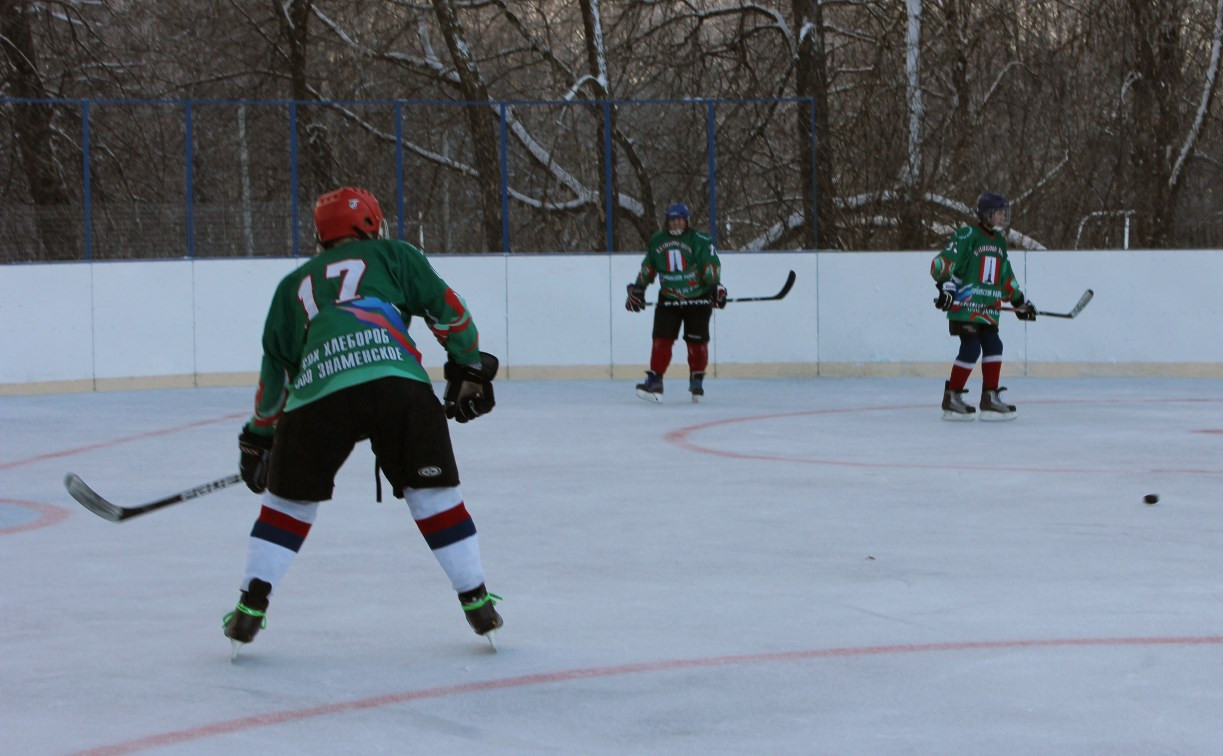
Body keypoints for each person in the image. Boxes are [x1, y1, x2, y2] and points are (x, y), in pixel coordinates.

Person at [226, 186, 503, 657]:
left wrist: (260, 438)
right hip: (397, 383)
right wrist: (468, 366)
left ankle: (251, 606)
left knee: (288, 506)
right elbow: (449, 313)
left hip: (317, 396)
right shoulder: (397, 255)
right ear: (373, 223)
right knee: (434, 496)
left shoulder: (292, 285)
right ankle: (476, 598)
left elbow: (276, 373)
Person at [930, 191, 1036, 421]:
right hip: (966, 306)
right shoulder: (968, 234)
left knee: (994, 345)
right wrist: (945, 287)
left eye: (1004, 214)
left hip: (988, 309)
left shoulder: (999, 241)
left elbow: (1005, 275)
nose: (1002, 218)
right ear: (986, 214)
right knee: (971, 348)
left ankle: (989, 398)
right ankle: (952, 396)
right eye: (998, 213)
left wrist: (1018, 301)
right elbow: (945, 261)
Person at [625, 202, 726, 402]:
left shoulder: (700, 240)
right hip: (669, 298)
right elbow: (649, 267)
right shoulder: (657, 241)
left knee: (697, 343)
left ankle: (696, 377)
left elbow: (711, 264)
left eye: (680, 219)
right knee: (661, 341)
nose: (676, 223)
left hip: (697, 298)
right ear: (667, 222)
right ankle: (655, 380)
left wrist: (715, 287)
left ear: (687, 220)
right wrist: (639, 288)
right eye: (672, 220)